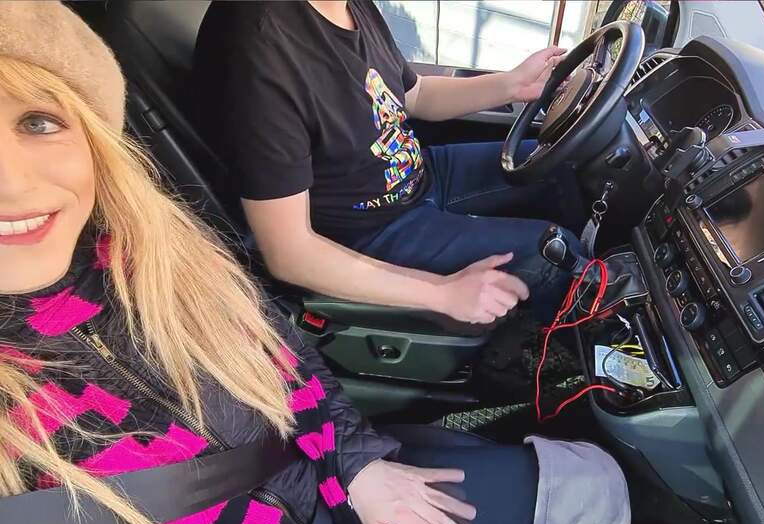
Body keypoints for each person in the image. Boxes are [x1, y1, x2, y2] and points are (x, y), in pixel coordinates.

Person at [0, 3, 629, 524]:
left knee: (567, 169)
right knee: (590, 474)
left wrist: (355, 464)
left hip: (319, 468)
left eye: (37, 122)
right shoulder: (262, 41)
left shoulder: (138, 253)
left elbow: (275, 346)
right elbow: (289, 252)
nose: (10, 182)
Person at [194, 0, 588, 325]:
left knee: (560, 162)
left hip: (418, 174)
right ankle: (564, 357)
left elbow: (413, 95)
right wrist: (443, 293)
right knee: (555, 253)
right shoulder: (261, 50)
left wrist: (510, 84)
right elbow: (290, 252)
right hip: (366, 230)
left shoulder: (348, 7)